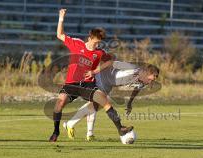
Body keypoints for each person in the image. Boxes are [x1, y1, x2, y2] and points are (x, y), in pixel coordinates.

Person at [49, 9, 133, 142]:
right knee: (59, 104)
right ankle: (56, 132)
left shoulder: (99, 53)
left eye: (99, 43)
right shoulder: (77, 44)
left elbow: (111, 59)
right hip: (71, 84)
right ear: (90, 38)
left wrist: (94, 71)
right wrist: (61, 17)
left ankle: (121, 128)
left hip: (87, 84)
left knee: (105, 101)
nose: (97, 45)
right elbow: (60, 34)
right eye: (95, 42)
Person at [63, 61, 160, 141]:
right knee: (97, 104)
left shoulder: (143, 81)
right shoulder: (132, 68)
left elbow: (136, 89)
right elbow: (112, 63)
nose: (154, 79)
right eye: (154, 76)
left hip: (108, 84)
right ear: (148, 73)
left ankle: (78, 128)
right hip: (101, 77)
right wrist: (95, 71)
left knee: (95, 105)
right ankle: (86, 132)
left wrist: (130, 103)